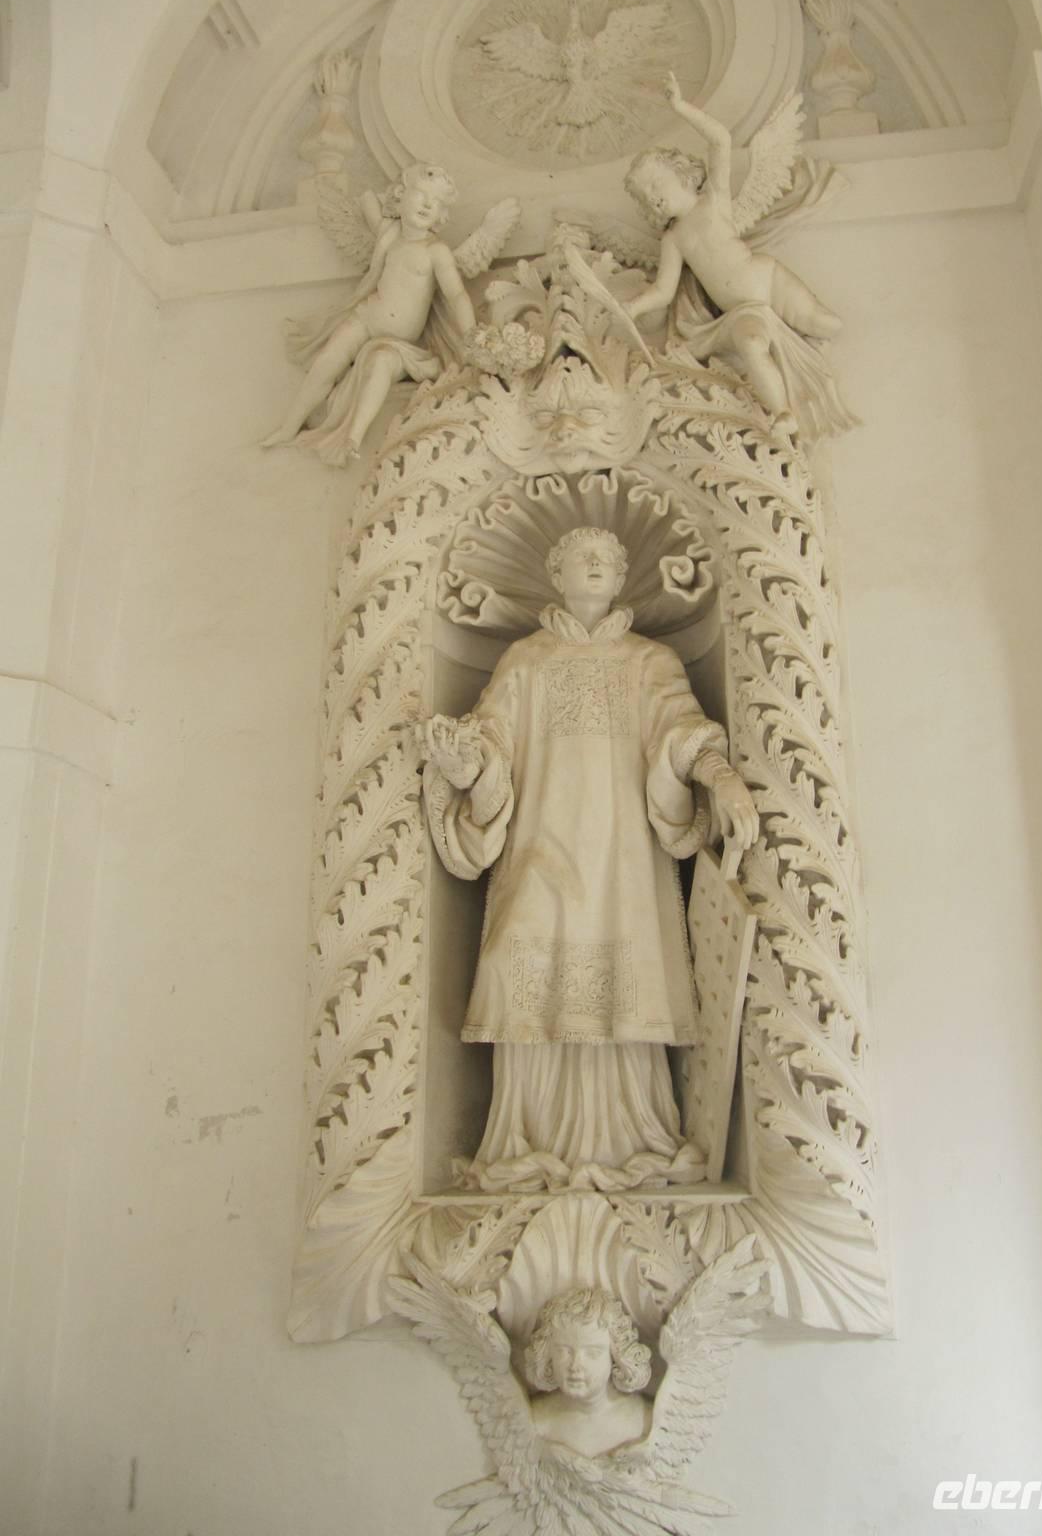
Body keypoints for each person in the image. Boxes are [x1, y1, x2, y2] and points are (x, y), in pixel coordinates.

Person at [421, 526, 758, 1191]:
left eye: (609, 557)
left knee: (623, 984)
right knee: (529, 971)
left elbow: (683, 733)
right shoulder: (525, 661)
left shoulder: (650, 661)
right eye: (583, 556)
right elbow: (491, 742)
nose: (598, 564)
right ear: (557, 571)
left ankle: (632, 1136)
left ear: (623, 575)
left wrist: (720, 777)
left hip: (623, 861)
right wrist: (466, 763)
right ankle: (524, 1140)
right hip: (541, 849)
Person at [622, 72, 853, 444]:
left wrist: (681, 107)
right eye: (643, 196)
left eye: (654, 183)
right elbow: (663, 291)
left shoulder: (713, 200)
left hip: (767, 278)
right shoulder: (674, 239)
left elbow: (720, 140)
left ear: (680, 174)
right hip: (742, 310)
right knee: (751, 343)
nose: (652, 196)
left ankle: (808, 350)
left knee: (825, 324)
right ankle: (783, 412)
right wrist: (634, 307)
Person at [261, 164, 474, 463]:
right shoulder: (390, 234)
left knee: (380, 364)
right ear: (400, 196)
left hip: (399, 344)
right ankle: (290, 426)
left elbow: (456, 295)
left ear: (441, 214)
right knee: (328, 360)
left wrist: (472, 336)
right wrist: (387, 202)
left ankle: (353, 438)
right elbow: (368, 200)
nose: (427, 204)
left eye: (436, 201)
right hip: (365, 318)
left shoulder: (435, 251)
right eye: (420, 194)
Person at [524, 1287, 652, 1458]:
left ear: (615, 1356)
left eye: (592, 1353)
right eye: (564, 1351)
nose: (575, 1365)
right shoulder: (534, 1421)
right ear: (547, 1354)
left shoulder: (643, 1420)